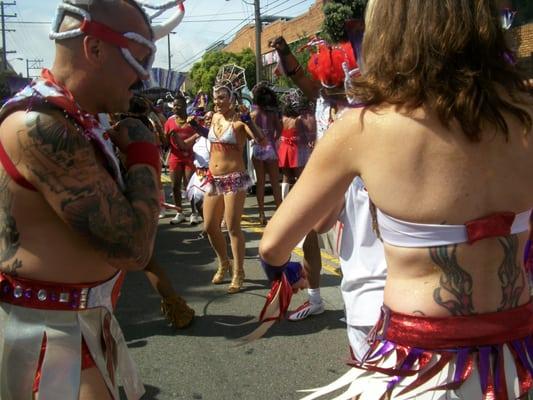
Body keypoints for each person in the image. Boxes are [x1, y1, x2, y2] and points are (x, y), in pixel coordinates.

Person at [261, 0, 533, 398]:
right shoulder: (525, 109)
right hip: (515, 361)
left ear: (387, 33)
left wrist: (284, 273)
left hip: (423, 370)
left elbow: (272, 245)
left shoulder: (362, 127)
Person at [0, 0, 185, 398]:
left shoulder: (74, 119)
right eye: (138, 59)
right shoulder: (40, 124)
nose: (143, 78)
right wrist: (143, 153)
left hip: (78, 328)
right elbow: (133, 247)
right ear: (95, 49)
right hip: (49, 342)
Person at [191, 64, 266, 294]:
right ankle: (224, 263)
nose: (218, 101)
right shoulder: (213, 117)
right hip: (213, 178)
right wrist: (195, 123)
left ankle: (239, 272)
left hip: (234, 178)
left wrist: (248, 120)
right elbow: (209, 136)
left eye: (222, 97)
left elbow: (261, 140)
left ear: (232, 97)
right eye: (215, 97)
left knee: (233, 227)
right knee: (210, 226)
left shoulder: (240, 119)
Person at [250, 82, 282, 225]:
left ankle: (261, 214)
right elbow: (279, 130)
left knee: (261, 182)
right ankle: (279, 212)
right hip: (270, 148)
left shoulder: (254, 113)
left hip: (257, 148)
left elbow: (251, 133)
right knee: (275, 183)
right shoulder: (273, 113)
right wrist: (273, 140)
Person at [164, 94, 199, 225]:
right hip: (175, 157)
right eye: (174, 105)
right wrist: (165, 136)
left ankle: (194, 212)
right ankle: (180, 212)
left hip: (190, 157)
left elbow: (199, 133)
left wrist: (189, 141)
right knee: (174, 186)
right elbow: (166, 143)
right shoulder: (169, 122)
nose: (175, 108)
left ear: (185, 106)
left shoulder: (192, 120)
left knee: (189, 185)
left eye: (178, 105)